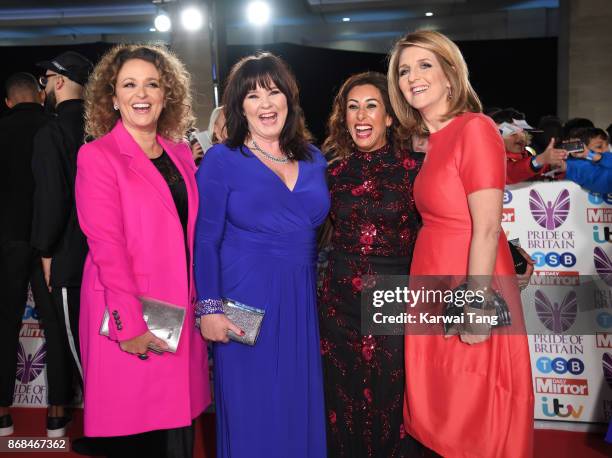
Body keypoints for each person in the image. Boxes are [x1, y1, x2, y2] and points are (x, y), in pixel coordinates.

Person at [388, 31, 534, 457]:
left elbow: (487, 228)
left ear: (451, 74)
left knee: (473, 417)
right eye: (403, 70)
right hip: (433, 284)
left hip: (468, 286)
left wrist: (476, 304)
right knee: (440, 414)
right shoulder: (434, 142)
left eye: (424, 65)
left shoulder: (476, 128)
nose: (412, 76)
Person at [75, 44, 210, 457]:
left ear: (166, 93)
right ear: (112, 97)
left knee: (177, 436)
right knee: (136, 437)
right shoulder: (97, 157)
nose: (142, 94)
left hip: (178, 320)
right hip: (129, 314)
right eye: (129, 84)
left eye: (152, 84)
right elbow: (107, 248)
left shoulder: (181, 155)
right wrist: (127, 324)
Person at [194, 52, 328, 458]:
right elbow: (204, 240)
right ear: (239, 107)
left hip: (302, 300)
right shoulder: (222, 160)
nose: (266, 104)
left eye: (273, 92)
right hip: (243, 301)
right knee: (253, 408)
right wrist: (209, 309)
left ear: (289, 97)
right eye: (253, 96)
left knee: (297, 402)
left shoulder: (313, 158)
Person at [318, 72, 423, 457]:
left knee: (391, 397)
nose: (361, 115)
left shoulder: (417, 169)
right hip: (338, 298)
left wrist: (508, 254)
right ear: (343, 118)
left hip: (394, 295)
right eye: (352, 107)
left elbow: (451, 223)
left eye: (371, 105)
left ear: (391, 116)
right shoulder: (332, 173)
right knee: (341, 398)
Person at [0, 72, 72, 437]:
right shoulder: (55, 128)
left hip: (7, 240)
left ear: (8, 101)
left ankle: (2, 414)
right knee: (55, 326)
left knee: (3, 324)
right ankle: (57, 413)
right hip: (50, 241)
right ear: (40, 95)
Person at [30, 51, 93, 391]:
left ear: (59, 82)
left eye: (46, 81)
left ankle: (111, 437)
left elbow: (52, 198)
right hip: (108, 257)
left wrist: (45, 251)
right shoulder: (106, 128)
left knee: (80, 350)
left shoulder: (51, 133)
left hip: (70, 259)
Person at [491, 108, 567, 184]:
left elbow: (536, 177)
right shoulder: (490, 160)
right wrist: (540, 160)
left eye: (524, 132)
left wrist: (554, 168)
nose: (521, 137)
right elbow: (510, 172)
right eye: (512, 132)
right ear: (496, 135)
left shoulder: (526, 156)